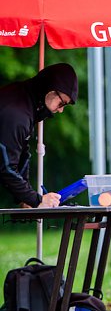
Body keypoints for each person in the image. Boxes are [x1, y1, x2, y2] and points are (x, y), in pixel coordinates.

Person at [0, 63, 78, 209]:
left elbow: (22, 154)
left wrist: (25, 197)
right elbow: (6, 167)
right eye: (61, 103)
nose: (60, 110)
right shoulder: (17, 113)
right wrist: (36, 199)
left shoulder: (24, 101)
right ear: (51, 90)